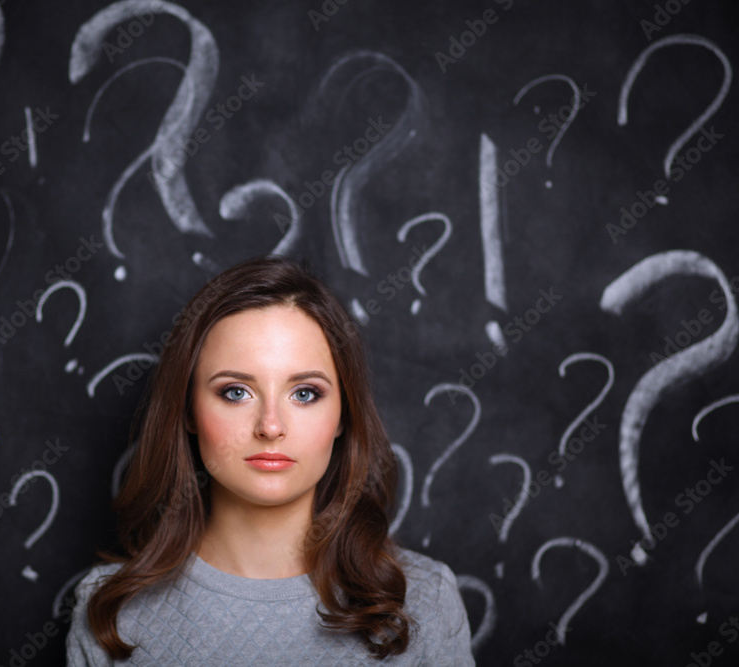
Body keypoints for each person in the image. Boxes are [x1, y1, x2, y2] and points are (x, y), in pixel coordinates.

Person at [66, 256, 474, 665]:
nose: (271, 426)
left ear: (343, 415)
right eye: (236, 392)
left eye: (305, 394)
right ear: (188, 410)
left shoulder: (424, 601)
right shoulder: (109, 611)